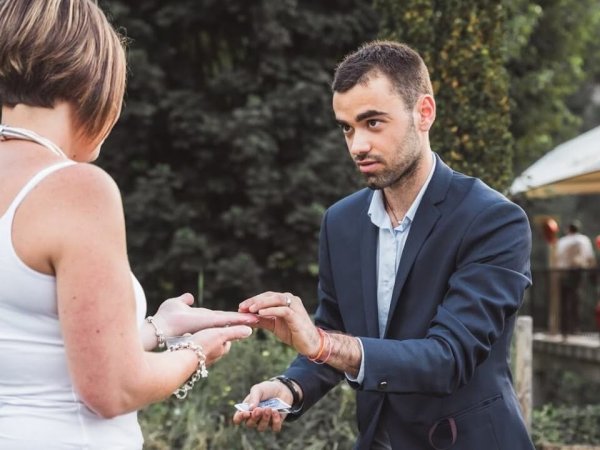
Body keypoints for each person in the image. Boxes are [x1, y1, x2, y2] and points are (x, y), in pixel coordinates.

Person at [233, 41, 535, 450]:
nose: (357, 145)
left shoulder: (493, 220)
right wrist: (290, 387)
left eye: (373, 122)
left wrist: (322, 344)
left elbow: (448, 359)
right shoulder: (340, 222)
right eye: (347, 127)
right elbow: (337, 329)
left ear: (423, 113)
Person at [0, 1, 258, 448]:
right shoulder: (76, 188)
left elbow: (29, 349)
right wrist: (197, 352)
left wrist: (159, 328)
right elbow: (112, 389)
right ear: (91, 82)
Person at [555, 221, 597, 336]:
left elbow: (557, 258)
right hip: (577, 272)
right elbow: (589, 257)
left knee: (564, 301)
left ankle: (564, 328)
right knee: (576, 299)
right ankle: (575, 328)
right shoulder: (584, 240)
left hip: (562, 273)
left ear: (568, 229)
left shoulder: (562, 241)